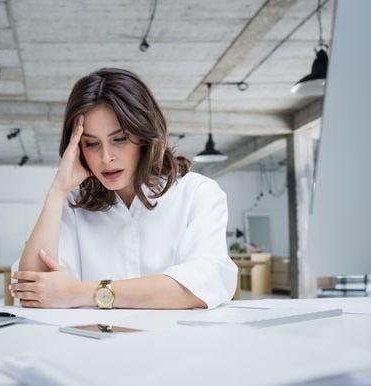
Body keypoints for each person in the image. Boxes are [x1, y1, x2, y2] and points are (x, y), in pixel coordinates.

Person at [12, 68, 237, 309]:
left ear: (144, 135)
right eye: (91, 143)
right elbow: (32, 291)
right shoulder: (74, 206)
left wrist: (80, 292)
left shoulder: (197, 193)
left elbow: (201, 285)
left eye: (119, 139)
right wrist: (58, 190)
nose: (106, 157)